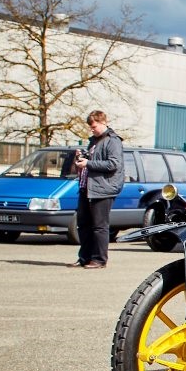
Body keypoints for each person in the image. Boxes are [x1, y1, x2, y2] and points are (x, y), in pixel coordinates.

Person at [68, 110, 125, 269]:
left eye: (94, 126)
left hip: (103, 189)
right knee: (83, 224)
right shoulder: (94, 141)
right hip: (87, 187)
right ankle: (84, 258)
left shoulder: (113, 141)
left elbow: (113, 164)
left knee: (99, 226)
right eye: (90, 127)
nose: (91, 129)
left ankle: (99, 259)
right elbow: (95, 159)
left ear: (102, 122)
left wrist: (89, 163)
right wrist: (83, 156)